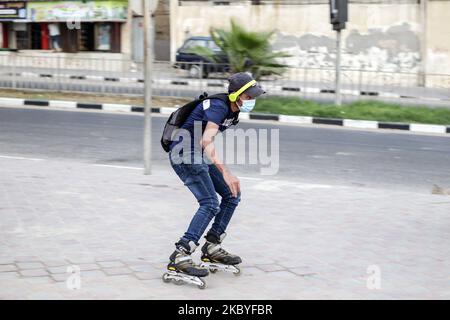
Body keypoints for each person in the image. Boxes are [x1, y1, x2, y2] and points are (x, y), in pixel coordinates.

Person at [167, 72, 265, 277]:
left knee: (232, 195)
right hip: (184, 153)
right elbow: (206, 140)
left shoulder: (233, 111)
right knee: (210, 203)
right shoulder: (218, 106)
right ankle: (181, 254)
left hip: (196, 153)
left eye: (253, 97)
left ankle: (212, 246)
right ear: (234, 95)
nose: (252, 101)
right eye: (248, 97)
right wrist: (226, 172)